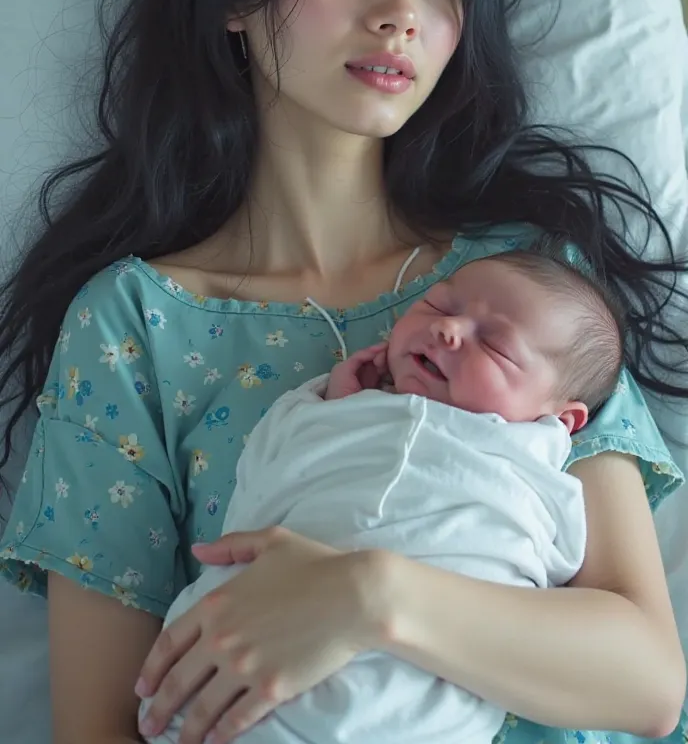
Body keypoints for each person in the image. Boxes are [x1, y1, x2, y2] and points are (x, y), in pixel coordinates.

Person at [0, 0, 686, 744]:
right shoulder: (132, 324)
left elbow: (645, 681)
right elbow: (96, 727)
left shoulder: (526, 290)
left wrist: (369, 594)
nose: (399, 11)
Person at [140, 248, 621, 744]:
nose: (448, 330)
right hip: (242, 665)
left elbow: (569, 580)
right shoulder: (338, 410)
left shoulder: (535, 466)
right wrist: (326, 412)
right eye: (438, 306)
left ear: (562, 420)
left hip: (405, 701)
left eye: (496, 346)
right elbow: (261, 479)